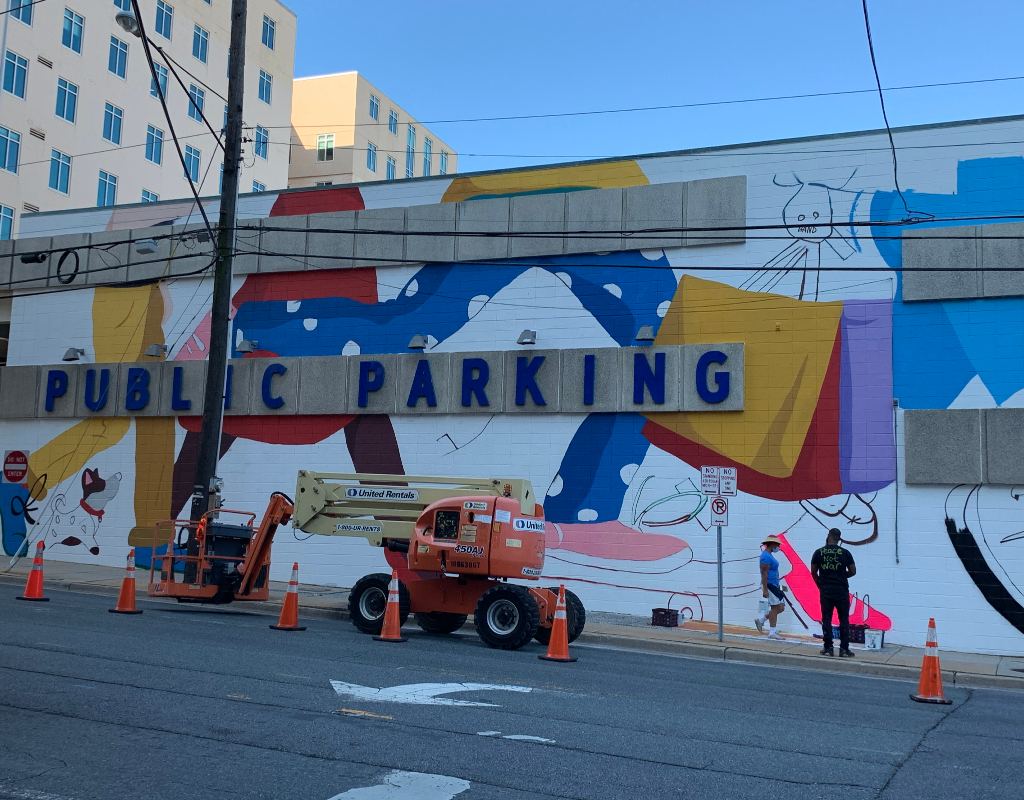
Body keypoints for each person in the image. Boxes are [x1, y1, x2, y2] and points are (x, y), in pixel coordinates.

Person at [811, 528, 857, 657]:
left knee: (826, 619)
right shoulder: (845, 552)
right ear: (839, 539)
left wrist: (820, 584)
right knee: (844, 620)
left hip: (826, 589)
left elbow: (813, 572)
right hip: (841, 590)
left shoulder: (819, 552)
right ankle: (844, 649)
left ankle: (828, 647)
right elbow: (853, 571)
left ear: (828, 536)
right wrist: (841, 575)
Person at [754, 534, 786, 640]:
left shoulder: (769, 555)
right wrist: (765, 589)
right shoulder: (766, 556)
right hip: (769, 585)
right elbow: (764, 573)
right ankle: (772, 632)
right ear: (772, 544)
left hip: (774, 585)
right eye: (777, 544)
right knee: (775, 608)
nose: (778, 547)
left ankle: (761, 620)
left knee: (780, 607)